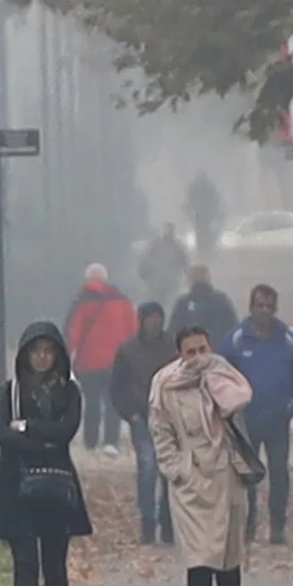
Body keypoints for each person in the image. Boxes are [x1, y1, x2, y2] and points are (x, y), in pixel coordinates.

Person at [0, 321, 93, 586]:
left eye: (48, 351)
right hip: (14, 484)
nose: (42, 357)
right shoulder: (9, 392)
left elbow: (65, 430)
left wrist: (26, 428)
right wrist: (38, 443)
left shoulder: (69, 392)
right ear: (25, 355)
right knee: (24, 563)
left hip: (55, 486)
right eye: (36, 351)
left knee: (54, 564)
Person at [149, 325, 254, 586]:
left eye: (202, 349)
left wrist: (216, 383)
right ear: (180, 354)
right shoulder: (165, 384)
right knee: (199, 561)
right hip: (192, 482)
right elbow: (160, 433)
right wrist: (177, 469)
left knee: (229, 559)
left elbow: (240, 403)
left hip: (227, 476)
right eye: (190, 352)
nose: (198, 357)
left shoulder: (225, 374)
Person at [217, 284, 293, 545]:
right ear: (251, 307)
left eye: (270, 307)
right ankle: (247, 526)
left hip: (277, 421)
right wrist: (231, 408)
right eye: (260, 306)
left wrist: (289, 409)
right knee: (246, 475)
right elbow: (221, 376)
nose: (265, 311)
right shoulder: (235, 339)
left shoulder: (289, 340)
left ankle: (278, 526)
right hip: (245, 421)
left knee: (279, 473)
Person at [110, 301, 179, 544]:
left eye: (158, 317)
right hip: (141, 417)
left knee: (169, 471)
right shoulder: (128, 350)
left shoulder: (173, 348)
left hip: (170, 418)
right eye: (150, 318)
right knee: (148, 468)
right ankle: (147, 522)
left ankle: (168, 520)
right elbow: (117, 387)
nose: (154, 322)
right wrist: (131, 414)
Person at [64, 263, 138, 454]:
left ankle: (90, 442)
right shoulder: (122, 301)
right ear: (105, 278)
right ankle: (110, 442)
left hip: (89, 362)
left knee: (92, 403)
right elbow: (133, 330)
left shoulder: (82, 301)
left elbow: (74, 332)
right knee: (112, 402)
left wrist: (66, 354)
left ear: (89, 279)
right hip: (117, 361)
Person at [168, 264, 240, 341]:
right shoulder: (183, 302)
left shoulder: (220, 300)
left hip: (214, 349)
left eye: (200, 274)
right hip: (192, 348)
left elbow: (232, 327)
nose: (198, 277)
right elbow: (173, 331)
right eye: (195, 274)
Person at [140, 223, 190, 308]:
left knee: (169, 304)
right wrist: (144, 273)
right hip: (157, 281)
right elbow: (145, 260)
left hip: (170, 282)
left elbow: (185, 262)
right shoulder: (155, 245)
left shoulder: (177, 246)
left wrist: (188, 276)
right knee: (157, 303)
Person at [187, 174, 225, 253]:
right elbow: (215, 200)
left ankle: (203, 250)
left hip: (201, 216)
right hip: (205, 216)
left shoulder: (195, 188)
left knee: (201, 235)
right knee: (204, 234)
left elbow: (190, 202)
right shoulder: (208, 188)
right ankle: (206, 250)